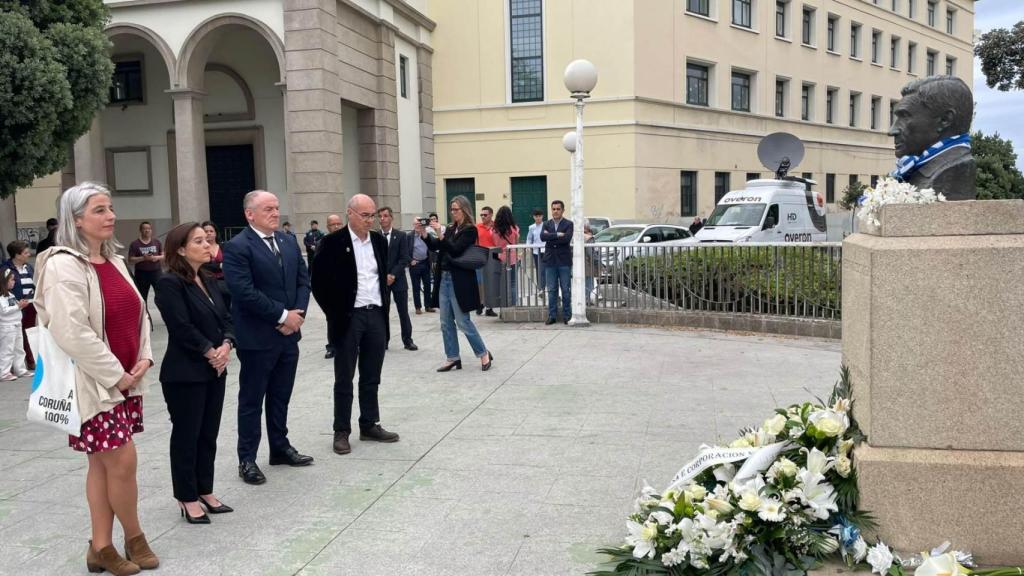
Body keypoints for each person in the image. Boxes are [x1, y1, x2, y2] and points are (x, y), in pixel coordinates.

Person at [34, 182, 158, 575]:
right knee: (122, 462)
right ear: (76, 220)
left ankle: (100, 547)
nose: (111, 216)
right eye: (99, 210)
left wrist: (145, 356)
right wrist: (116, 375)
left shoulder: (114, 260)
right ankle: (135, 538)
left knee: (102, 465)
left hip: (126, 379)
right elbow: (70, 330)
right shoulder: (62, 265)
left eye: (110, 208)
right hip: (94, 383)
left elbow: (138, 313)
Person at [222, 190, 313, 486]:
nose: (275, 213)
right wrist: (282, 316)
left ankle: (280, 447)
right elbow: (243, 292)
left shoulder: (287, 241)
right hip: (257, 338)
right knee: (252, 400)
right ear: (250, 214)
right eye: (268, 209)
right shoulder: (237, 247)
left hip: (288, 336)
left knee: (280, 395)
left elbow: (303, 281)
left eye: (276, 208)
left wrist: (296, 315)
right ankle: (247, 458)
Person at [154, 223, 235, 525]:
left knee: (208, 433)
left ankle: (205, 489)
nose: (206, 244)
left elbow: (227, 318)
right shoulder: (169, 283)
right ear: (181, 249)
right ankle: (186, 496)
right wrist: (210, 352)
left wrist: (226, 345)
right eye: (198, 241)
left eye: (206, 239)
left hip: (215, 370)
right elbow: (181, 326)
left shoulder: (209, 278)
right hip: (185, 373)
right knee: (187, 436)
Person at [311, 194, 400, 456]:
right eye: (365, 215)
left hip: (375, 314)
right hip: (348, 318)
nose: (370, 220)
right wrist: (334, 313)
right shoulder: (332, 242)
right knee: (344, 376)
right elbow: (318, 282)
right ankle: (341, 430)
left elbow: (381, 276)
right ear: (350, 213)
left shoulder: (378, 242)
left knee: (371, 374)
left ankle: (369, 424)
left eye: (373, 215)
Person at [416, 195, 494, 373]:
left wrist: (440, 234)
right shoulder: (451, 228)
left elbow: (455, 250)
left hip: (459, 280)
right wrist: (424, 234)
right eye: (451, 209)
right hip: (443, 278)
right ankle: (452, 357)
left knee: (463, 321)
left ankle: (483, 353)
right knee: (445, 322)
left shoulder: (470, 230)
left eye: (456, 209)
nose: (453, 212)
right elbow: (437, 246)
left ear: (464, 210)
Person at [378, 207, 417, 351]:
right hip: (382, 280)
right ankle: (384, 341)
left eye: (385, 216)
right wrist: (384, 275)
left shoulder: (400, 235)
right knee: (383, 312)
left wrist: (393, 275)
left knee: (403, 311)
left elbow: (404, 258)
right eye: (380, 216)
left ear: (391, 217)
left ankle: (408, 340)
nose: (382, 218)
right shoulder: (375, 236)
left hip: (398, 279)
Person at [4, 240, 37, 371]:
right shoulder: (6, 268)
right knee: (13, 336)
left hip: (30, 305)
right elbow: (4, 288)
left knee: (29, 333)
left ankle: (30, 361)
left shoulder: (28, 267)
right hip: (15, 306)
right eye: (25, 253)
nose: (29, 255)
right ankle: (12, 366)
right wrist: (15, 303)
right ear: (17, 255)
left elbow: (35, 283)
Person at [541, 200, 573, 325]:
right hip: (550, 261)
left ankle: (567, 315)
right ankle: (552, 315)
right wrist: (558, 234)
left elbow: (566, 239)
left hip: (564, 261)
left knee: (565, 290)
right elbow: (542, 237)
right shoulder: (546, 223)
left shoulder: (568, 224)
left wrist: (551, 236)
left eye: (558, 209)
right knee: (551, 290)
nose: (555, 211)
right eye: (553, 209)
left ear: (563, 210)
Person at [0, 269, 31, 381]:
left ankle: (20, 369)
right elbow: (4, 311)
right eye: (11, 279)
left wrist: (20, 304)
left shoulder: (10, 294)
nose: (14, 282)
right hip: (7, 327)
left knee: (19, 349)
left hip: (16, 324)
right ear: (4, 281)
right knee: (7, 350)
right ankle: (4, 373)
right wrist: (18, 306)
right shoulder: (1, 296)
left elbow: (14, 307)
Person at [321, 214, 343, 360]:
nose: (336, 227)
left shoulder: (349, 241)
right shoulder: (323, 243)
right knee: (332, 319)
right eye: (332, 224)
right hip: (331, 289)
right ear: (328, 227)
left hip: (348, 288)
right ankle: (332, 346)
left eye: (338, 224)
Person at [127, 221, 163, 304]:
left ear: (151, 230)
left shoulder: (157, 242)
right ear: (140, 230)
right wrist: (143, 258)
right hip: (141, 274)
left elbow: (164, 255)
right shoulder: (135, 244)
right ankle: (145, 312)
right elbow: (130, 260)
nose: (147, 230)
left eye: (149, 229)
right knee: (142, 298)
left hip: (156, 273)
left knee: (161, 296)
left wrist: (156, 257)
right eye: (145, 229)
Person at [491, 206, 520, 308]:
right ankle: (513, 305)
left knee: (502, 283)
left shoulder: (494, 230)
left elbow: (494, 244)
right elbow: (516, 243)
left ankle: (503, 306)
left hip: (499, 258)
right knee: (513, 283)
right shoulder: (514, 229)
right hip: (512, 258)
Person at [409, 216, 434, 315]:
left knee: (427, 285)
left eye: (419, 224)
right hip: (415, 265)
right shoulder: (409, 236)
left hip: (425, 263)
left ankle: (428, 306)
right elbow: (404, 251)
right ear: (413, 225)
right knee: (416, 287)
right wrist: (410, 260)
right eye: (416, 224)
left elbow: (432, 245)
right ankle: (418, 307)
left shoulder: (426, 235)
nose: (418, 226)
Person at [475, 206, 497, 316]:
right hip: (480, 257)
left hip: (493, 257)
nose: (483, 217)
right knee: (479, 282)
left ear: (491, 215)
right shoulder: (477, 227)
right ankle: (480, 303)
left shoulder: (496, 227)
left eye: (485, 215)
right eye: (481, 215)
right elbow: (474, 242)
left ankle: (489, 307)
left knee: (491, 282)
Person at [526, 209, 545, 294]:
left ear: (542, 216)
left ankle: (547, 286)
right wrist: (528, 246)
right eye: (536, 216)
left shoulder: (546, 225)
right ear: (534, 217)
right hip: (536, 252)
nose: (538, 218)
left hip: (546, 250)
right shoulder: (531, 227)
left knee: (546, 269)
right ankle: (540, 288)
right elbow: (529, 239)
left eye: (539, 216)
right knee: (539, 269)